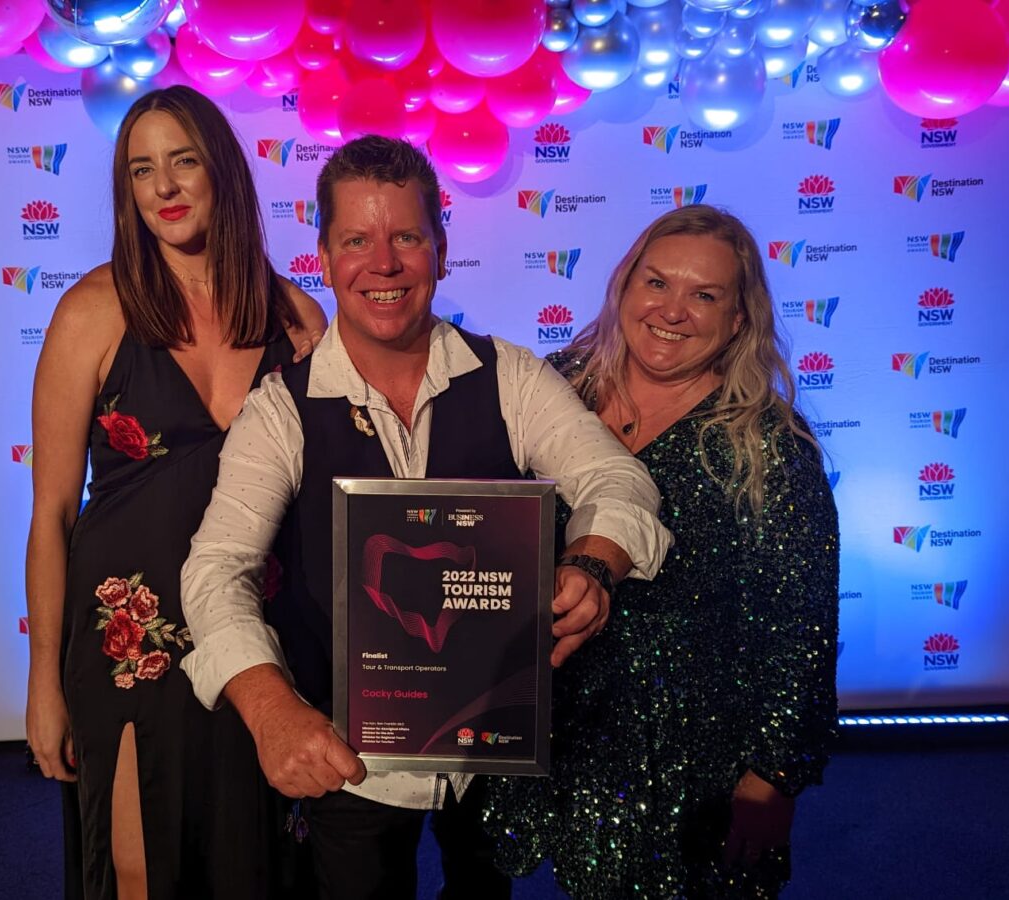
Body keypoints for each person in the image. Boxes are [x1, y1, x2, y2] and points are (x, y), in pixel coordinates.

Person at [179, 135, 671, 900]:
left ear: (440, 250)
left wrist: (595, 561)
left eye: (406, 237)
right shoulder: (280, 407)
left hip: (491, 750)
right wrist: (270, 708)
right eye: (356, 240)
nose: (383, 263)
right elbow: (216, 568)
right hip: (349, 756)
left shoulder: (508, 374)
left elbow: (611, 476)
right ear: (324, 255)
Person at [482, 205, 840, 898]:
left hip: (695, 746)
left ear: (739, 318)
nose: (672, 310)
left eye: (704, 295)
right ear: (624, 288)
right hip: (564, 717)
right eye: (657, 283)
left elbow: (803, 624)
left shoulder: (769, 446)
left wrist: (774, 778)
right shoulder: (554, 389)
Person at [24, 85, 327, 900]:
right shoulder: (92, 311)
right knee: (137, 870)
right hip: (129, 641)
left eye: (183, 161)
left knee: (251, 864)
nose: (163, 187)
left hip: (259, 638)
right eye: (141, 170)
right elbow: (52, 515)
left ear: (222, 171)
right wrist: (42, 683)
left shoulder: (298, 319)